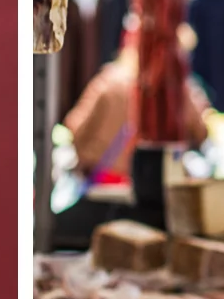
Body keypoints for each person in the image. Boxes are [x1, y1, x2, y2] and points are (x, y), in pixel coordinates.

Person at [63, 15, 209, 186]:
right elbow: (201, 133)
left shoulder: (109, 81)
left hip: (105, 183)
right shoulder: (179, 89)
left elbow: (75, 128)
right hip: (156, 185)